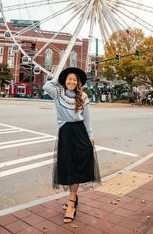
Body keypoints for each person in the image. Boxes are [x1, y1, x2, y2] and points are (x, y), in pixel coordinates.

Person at [43, 67, 101, 223]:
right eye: (69, 78)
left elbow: (87, 119)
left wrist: (91, 137)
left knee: (77, 168)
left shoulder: (82, 96)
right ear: (64, 80)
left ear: (78, 82)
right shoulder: (57, 94)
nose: (72, 81)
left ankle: (71, 201)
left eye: (75, 79)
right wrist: (57, 76)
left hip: (80, 133)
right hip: (65, 134)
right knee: (67, 167)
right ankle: (73, 199)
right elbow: (46, 86)